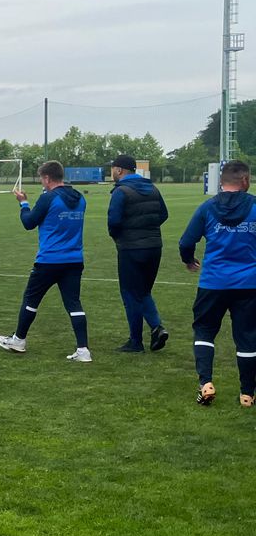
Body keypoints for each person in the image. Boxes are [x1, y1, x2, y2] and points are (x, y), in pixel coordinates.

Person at [0, 161, 92, 362]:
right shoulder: (80, 198)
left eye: (41, 178)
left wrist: (23, 203)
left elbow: (29, 222)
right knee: (73, 303)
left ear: (47, 178)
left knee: (31, 300)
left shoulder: (48, 198)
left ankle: (18, 340)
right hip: (74, 259)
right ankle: (83, 350)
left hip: (49, 260)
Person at [178, 160, 256, 406]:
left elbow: (186, 242)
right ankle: (247, 394)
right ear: (245, 180)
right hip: (248, 283)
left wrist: (188, 260)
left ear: (221, 182)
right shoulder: (255, 206)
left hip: (213, 282)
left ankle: (206, 383)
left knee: (204, 330)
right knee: (247, 337)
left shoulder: (207, 207)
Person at [108, 153, 170, 353]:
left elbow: (114, 222)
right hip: (154, 246)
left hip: (131, 248)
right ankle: (157, 328)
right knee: (143, 292)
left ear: (119, 170)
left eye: (113, 168)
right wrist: (147, 228)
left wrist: (121, 236)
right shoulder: (152, 188)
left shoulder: (121, 192)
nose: (112, 172)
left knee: (130, 294)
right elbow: (164, 214)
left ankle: (136, 341)